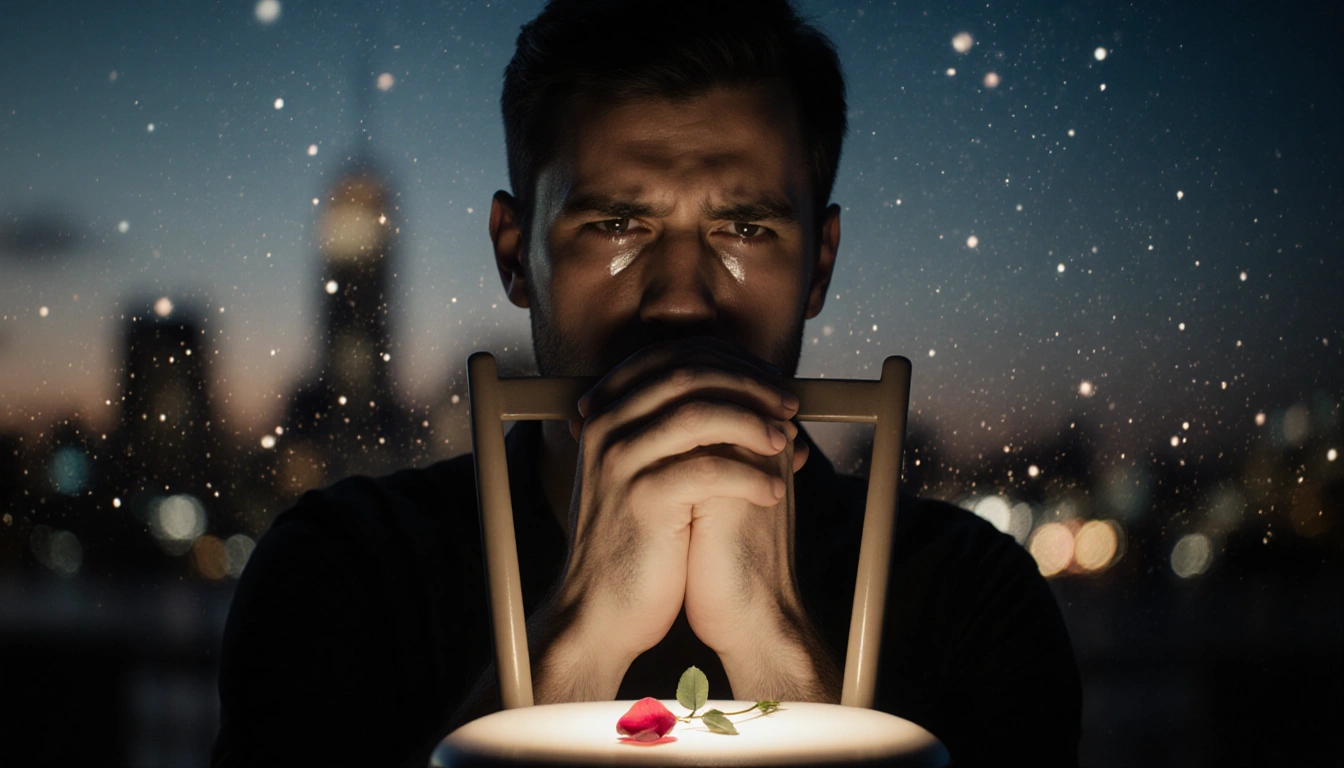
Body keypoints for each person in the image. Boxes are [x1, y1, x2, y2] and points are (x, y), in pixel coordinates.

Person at [211, 1, 1082, 765]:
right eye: (618, 224)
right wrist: (575, 641)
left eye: (744, 229)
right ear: (515, 255)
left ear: (819, 266)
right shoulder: (340, 575)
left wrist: (778, 650)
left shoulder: (973, 598)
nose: (679, 300)